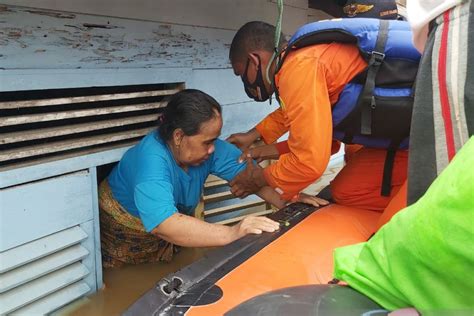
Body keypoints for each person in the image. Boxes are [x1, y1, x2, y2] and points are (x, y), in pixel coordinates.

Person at [333, 0, 474, 313]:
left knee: (442, 197)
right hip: (398, 141)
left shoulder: (308, 62)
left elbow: (312, 154)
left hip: (452, 30)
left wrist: (271, 182)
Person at [226, 20, 418, 211]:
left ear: (254, 60)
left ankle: (420, 203)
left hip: (422, 139)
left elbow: (309, 162)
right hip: (408, 135)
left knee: (355, 190)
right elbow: (316, 136)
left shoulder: (298, 68)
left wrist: (258, 179)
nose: (245, 82)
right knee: (346, 191)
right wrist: (258, 145)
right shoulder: (300, 60)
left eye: (241, 73)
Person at [99, 89, 288, 268]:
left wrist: (291, 200)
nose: (213, 148)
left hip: (169, 228)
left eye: (215, 140)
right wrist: (233, 232)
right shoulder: (152, 159)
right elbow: (165, 224)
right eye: (207, 142)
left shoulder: (209, 150)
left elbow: (253, 178)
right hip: (124, 231)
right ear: (179, 136)